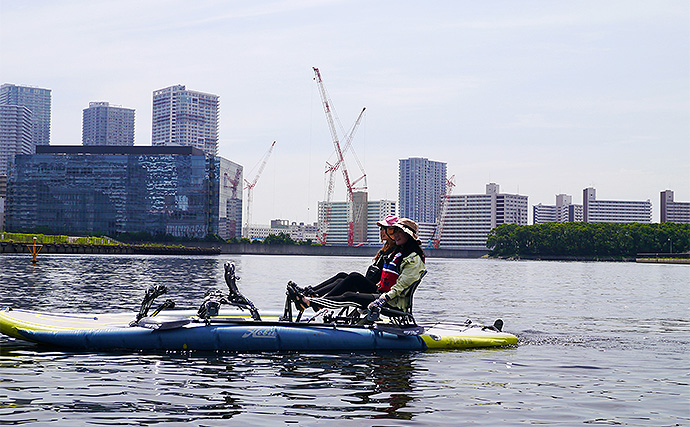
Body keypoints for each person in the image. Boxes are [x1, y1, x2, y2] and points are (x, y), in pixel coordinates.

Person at [291, 217, 426, 313]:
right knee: (352, 277)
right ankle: (315, 299)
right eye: (395, 231)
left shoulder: (413, 259)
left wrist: (382, 299)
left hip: (391, 301)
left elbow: (400, 287)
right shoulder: (398, 253)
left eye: (400, 232)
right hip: (382, 293)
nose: (396, 235)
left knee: (351, 296)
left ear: (409, 236)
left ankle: (314, 302)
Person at [287, 215, 399, 301]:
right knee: (342, 276)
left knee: (354, 277)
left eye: (385, 229)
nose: (381, 231)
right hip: (369, 284)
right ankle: (311, 293)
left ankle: (319, 301)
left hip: (374, 289)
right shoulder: (385, 250)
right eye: (381, 229)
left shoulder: (394, 253)